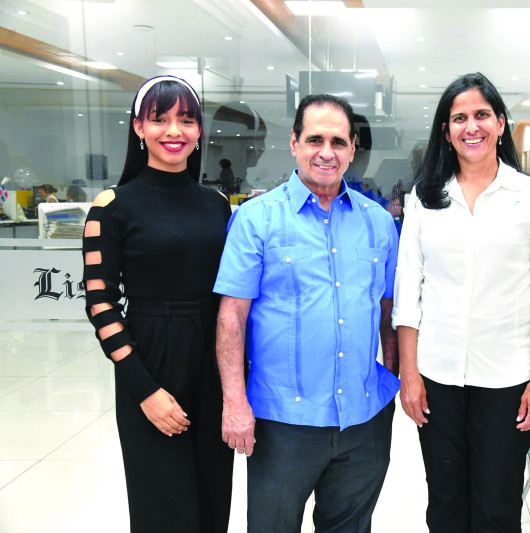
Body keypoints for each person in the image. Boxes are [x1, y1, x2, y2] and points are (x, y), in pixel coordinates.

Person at [214, 93, 400, 533]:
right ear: (294, 143)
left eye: (338, 141)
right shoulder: (256, 219)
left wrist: (390, 378)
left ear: (353, 149)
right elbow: (231, 318)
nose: (326, 152)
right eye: (315, 139)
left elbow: (388, 310)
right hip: (283, 423)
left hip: (362, 418)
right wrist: (234, 403)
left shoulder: (378, 222)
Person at [392, 72, 530, 532]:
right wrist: (409, 374)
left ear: (501, 123)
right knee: (445, 502)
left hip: (509, 378)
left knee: (497, 504)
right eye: (459, 118)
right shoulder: (424, 198)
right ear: (446, 131)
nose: (472, 126)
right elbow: (408, 293)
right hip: (437, 376)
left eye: (482, 115)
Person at [81, 75, 233, 533]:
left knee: (213, 500)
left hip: (212, 358)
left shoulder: (217, 204)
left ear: (199, 131)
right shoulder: (112, 207)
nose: (174, 131)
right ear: (138, 128)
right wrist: (144, 390)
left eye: (186, 120)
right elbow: (100, 305)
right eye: (160, 119)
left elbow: (234, 296)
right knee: (164, 509)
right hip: (151, 353)